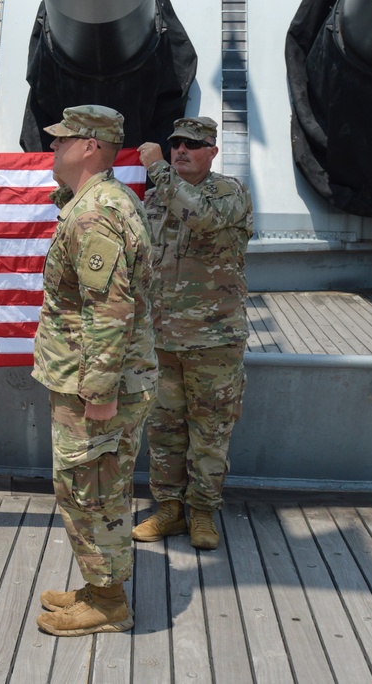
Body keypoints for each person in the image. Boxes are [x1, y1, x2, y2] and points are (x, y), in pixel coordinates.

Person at [32, 105, 158, 637]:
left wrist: (99, 391)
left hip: (96, 384)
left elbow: (108, 310)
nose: (52, 147)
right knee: (90, 482)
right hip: (90, 376)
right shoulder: (94, 202)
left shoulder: (95, 213)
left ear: (90, 146)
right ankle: (96, 583)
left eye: (62, 140)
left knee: (93, 487)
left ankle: (108, 602)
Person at [133, 116, 253, 550]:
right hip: (161, 340)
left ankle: (202, 512)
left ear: (212, 152)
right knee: (163, 429)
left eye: (192, 144)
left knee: (210, 432)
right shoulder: (157, 199)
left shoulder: (227, 193)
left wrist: (158, 169)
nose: (181, 150)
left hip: (213, 341)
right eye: (176, 143)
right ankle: (168, 510)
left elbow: (201, 218)